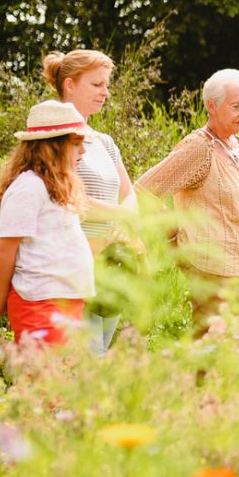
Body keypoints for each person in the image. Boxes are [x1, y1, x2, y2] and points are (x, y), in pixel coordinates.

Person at [136, 69, 239, 329]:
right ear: (211, 105)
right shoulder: (199, 148)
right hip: (212, 270)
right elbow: (145, 189)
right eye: (235, 106)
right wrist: (175, 236)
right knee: (211, 351)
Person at [0, 101, 96, 346]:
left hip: (66, 298)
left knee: (63, 379)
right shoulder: (28, 188)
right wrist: (2, 295)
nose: (83, 151)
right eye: (76, 144)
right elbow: (4, 249)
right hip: (40, 302)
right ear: (52, 147)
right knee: (42, 379)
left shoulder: (55, 186)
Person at [43, 49, 135, 355]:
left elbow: (129, 192)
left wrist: (124, 222)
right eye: (97, 85)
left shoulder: (104, 141)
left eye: (107, 85)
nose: (106, 93)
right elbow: (67, 198)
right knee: (78, 360)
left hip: (112, 264)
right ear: (70, 85)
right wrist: (120, 214)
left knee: (97, 355)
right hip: (74, 265)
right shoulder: (50, 136)